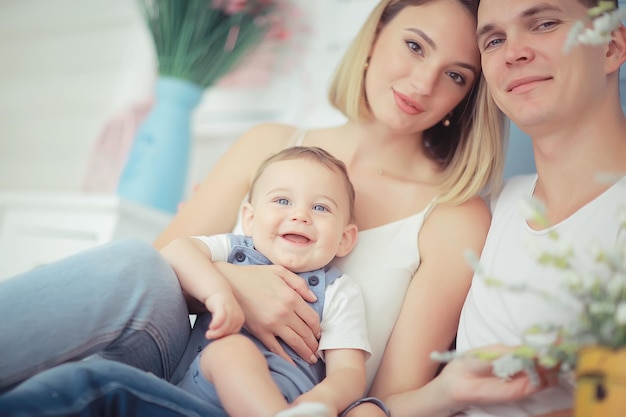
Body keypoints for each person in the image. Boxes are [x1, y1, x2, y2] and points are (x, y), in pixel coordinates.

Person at [0, 0, 506, 416]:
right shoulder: (269, 143)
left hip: (287, 399)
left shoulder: (453, 214)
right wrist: (234, 282)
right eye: (414, 46)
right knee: (134, 266)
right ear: (373, 41)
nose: (423, 83)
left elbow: (388, 396)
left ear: (467, 99)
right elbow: (149, 281)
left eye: (456, 76)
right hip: (185, 354)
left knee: (83, 383)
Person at [164, 146, 370, 417]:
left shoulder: (337, 291)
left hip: (296, 405)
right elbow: (174, 251)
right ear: (249, 219)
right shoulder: (235, 250)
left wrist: (323, 400)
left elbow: (349, 371)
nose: (300, 215)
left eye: (320, 207)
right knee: (231, 351)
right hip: (205, 393)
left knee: (369, 411)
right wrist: (217, 291)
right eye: (283, 201)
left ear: (344, 239)